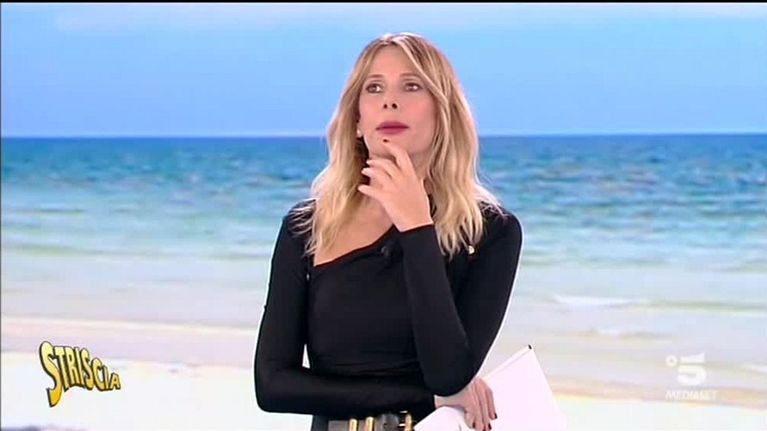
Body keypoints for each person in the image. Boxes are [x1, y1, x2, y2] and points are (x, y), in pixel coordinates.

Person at [254, 32, 523, 431]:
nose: (390, 101)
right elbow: (273, 385)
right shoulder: (306, 228)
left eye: (411, 86)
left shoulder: (490, 233)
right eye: (374, 88)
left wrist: (416, 228)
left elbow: (449, 374)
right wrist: (422, 399)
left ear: (443, 114)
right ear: (357, 120)